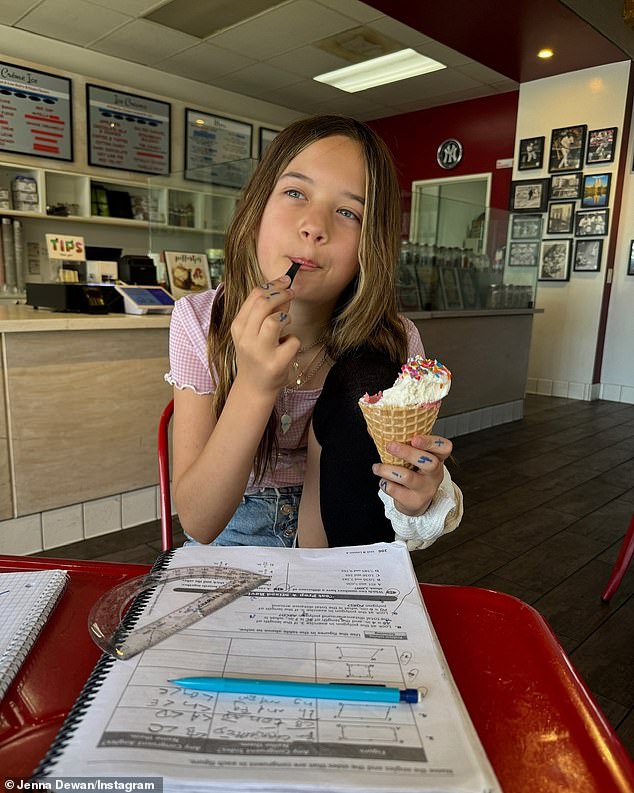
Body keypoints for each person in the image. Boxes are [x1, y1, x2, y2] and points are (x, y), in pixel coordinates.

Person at [166, 114, 463, 549]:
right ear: (256, 209)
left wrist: (417, 498)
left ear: (371, 244)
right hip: (231, 535)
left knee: (361, 377)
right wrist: (254, 384)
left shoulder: (393, 342)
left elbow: (387, 496)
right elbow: (199, 521)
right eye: (294, 192)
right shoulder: (198, 321)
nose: (314, 227)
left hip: (343, 531)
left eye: (348, 211)